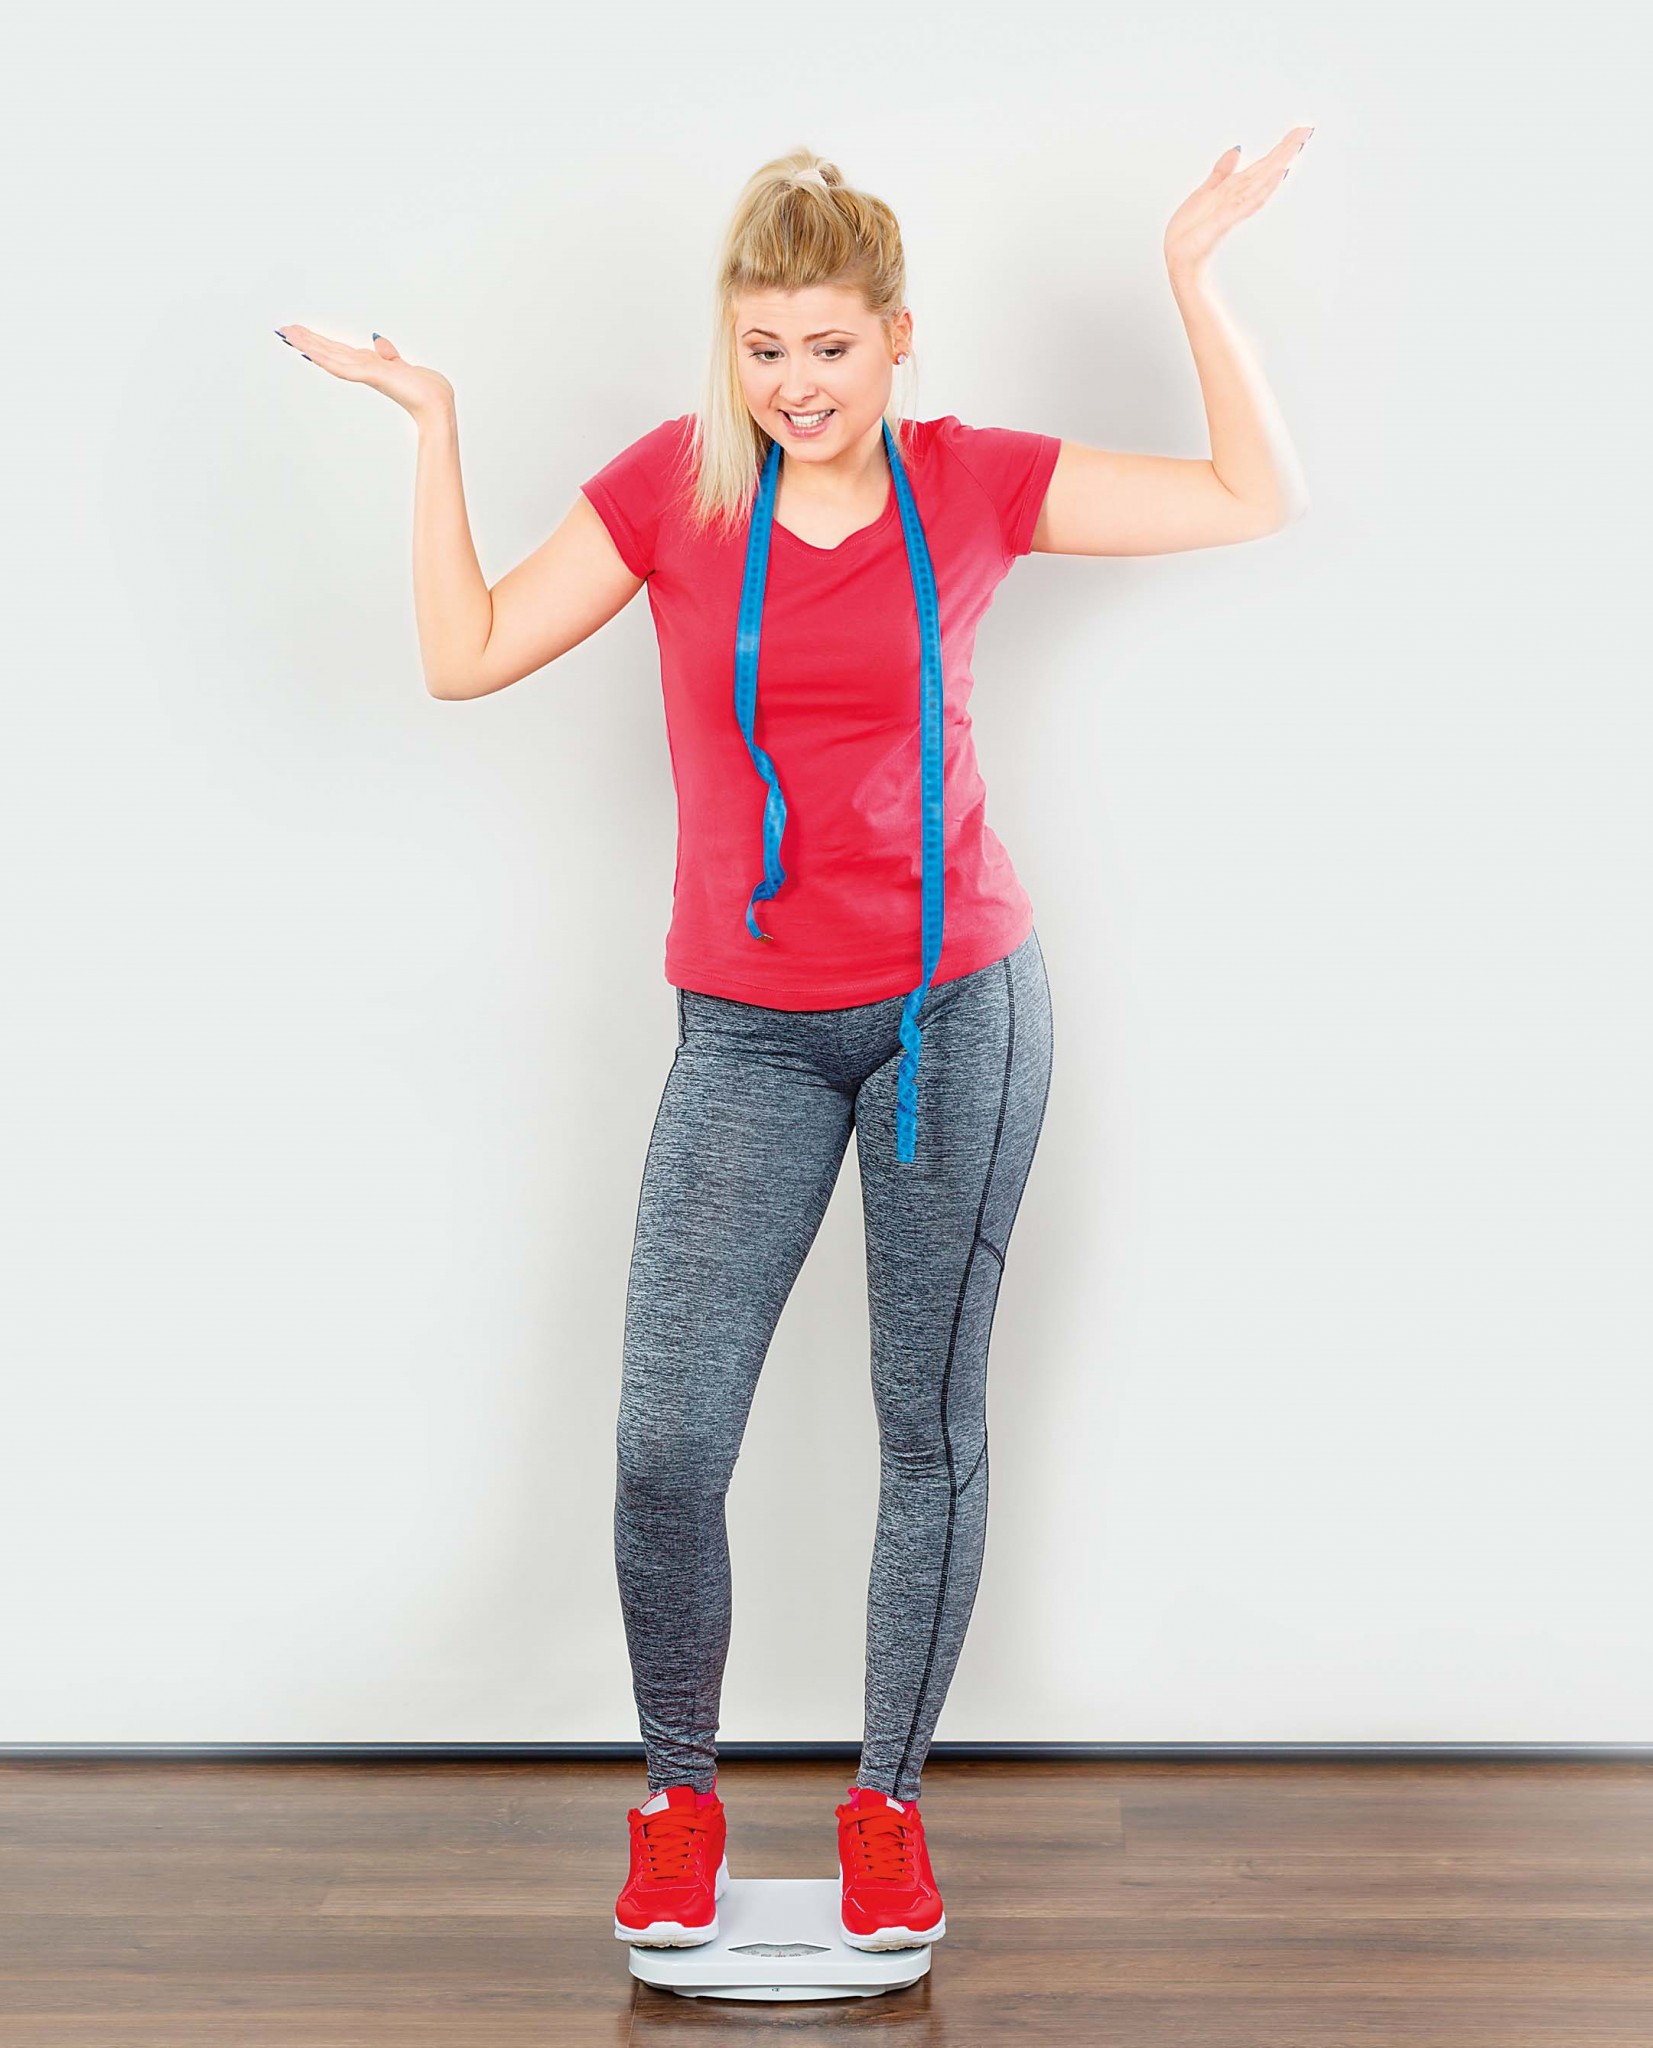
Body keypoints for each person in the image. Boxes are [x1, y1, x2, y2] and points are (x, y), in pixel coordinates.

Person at [275, 129, 1312, 1957]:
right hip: (744, 1036)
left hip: (953, 1016)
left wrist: (1192, 279)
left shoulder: (970, 481)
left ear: (896, 338)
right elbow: (467, 651)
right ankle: (677, 1796)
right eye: (761, 348)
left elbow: (1248, 494)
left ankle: (886, 1809)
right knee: (666, 1447)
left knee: (927, 1431)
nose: (794, 384)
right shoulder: (672, 491)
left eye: (828, 346)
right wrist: (434, 425)